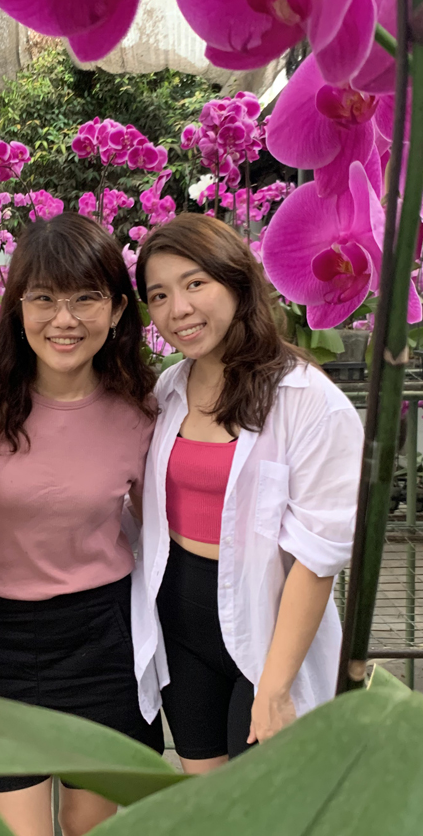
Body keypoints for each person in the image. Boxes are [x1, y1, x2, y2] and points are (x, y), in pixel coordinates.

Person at [0, 212, 162, 836]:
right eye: (43, 298)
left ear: (118, 309)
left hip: (102, 639)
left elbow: (167, 530)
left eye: (85, 298)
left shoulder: (142, 411)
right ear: (17, 307)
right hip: (0, 642)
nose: (63, 319)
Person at [132, 212, 363, 773]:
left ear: (237, 281)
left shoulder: (307, 400)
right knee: (207, 794)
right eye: (159, 295)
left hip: (267, 627)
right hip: (179, 621)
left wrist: (276, 686)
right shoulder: (170, 389)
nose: (178, 309)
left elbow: (317, 556)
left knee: (266, 797)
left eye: (195, 283)